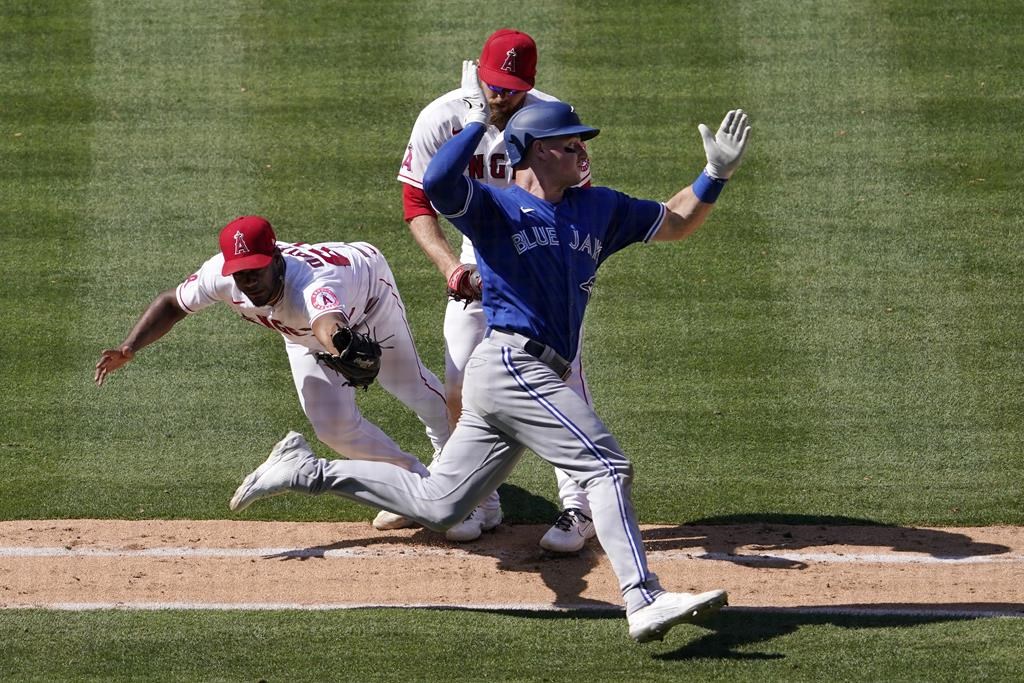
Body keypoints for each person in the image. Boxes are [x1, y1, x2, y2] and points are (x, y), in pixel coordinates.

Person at [228, 63, 751, 642]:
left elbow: (674, 221)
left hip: (515, 376)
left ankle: (306, 470)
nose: (582, 149)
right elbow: (438, 186)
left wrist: (714, 174)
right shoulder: (497, 208)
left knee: (441, 504)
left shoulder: (597, 208)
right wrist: (478, 125)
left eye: (582, 141)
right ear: (533, 150)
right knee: (605, 465)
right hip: (511, 365)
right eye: (568, 141)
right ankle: (643, 598)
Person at [395, 28, 597, 549]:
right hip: (473, 256)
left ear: (530, 83)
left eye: (512, 88)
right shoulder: (442, 117)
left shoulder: (554, 121)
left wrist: (549, 271)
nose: (501, 96)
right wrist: (450, 268)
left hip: (542, 257)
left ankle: (579, 507)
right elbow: (416, 203)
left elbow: (577, 205)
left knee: (561, 382)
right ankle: (479, 501)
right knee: (458, 384)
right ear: (479, 74)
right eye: (494, 85)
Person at [95, 215, 450, 493]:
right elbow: (173, 303)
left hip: (368, 300)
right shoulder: (220, 276)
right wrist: (130, 346)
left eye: (256, 271)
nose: (248, 282)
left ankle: (470, 487)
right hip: (301, 332)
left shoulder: (313, 284)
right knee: (333, 427)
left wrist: (341, 345)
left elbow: (327, 320)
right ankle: (411, 482)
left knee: (412, 386)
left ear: (277, 259)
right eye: (240, 274)